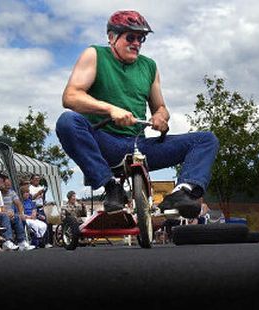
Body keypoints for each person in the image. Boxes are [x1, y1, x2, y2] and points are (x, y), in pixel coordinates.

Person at [56, 10, 219, 218]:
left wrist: (161, 117)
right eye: (130, 37)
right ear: (112, 37)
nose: (136, 43)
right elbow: (70, 96)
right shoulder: (95, 55)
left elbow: (160, 107)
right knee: (67, 121)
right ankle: (111, 187)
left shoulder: (149, 66)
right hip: (104, 142)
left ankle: (182, 192)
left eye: (141, 38)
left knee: (206, 140)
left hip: (139, 147)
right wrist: (110, 109)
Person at [0, 171, 33, 251]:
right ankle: (7, 241)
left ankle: (22, 242)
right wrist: (4, 213)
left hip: (1, 213)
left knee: (16, 217)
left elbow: (2, 206)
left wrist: (8, 212)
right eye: (2, 181)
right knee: (4, 216)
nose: (3, 183)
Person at [1, 176, 35, 251]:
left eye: (9, 186)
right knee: (9, 217)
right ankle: (8, 241)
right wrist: (7, 212)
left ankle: (21, 241)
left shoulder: (11, 192)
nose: (8, 188)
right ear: (2, 184)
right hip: (1, 214)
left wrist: (21, 213)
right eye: (6, 186)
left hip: (11, 214)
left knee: (19, 217)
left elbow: (19, 203)